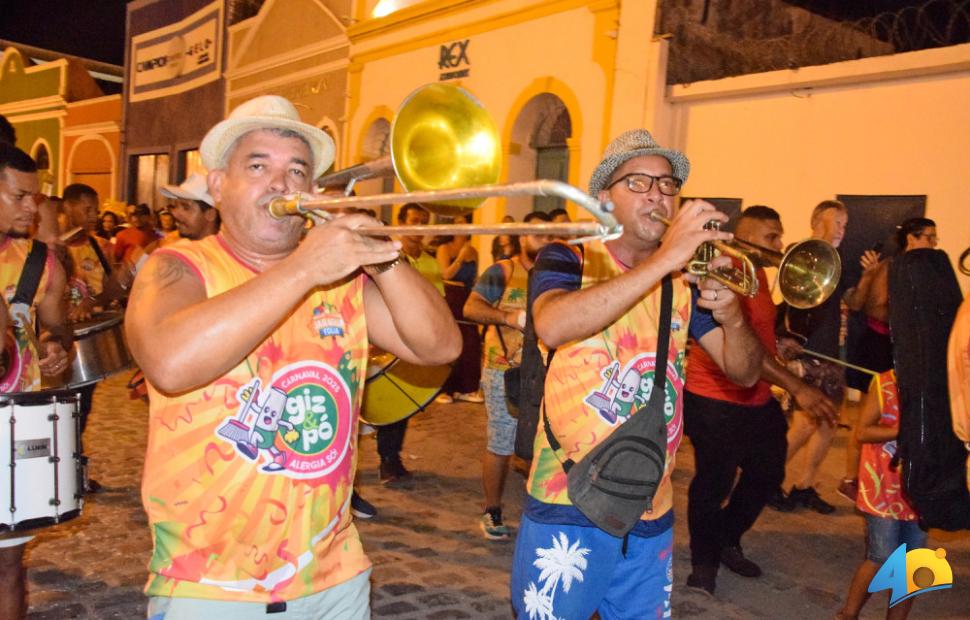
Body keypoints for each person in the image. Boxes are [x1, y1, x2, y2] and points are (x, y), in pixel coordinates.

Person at [125, 95, 459, 618]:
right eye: (258, 166)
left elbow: (439, 346)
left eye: (296, 170)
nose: (280, 185)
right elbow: (170, 364)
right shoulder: (178, 267)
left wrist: (381, 252)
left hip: (334, 576)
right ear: (218, 185)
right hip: (209, 584)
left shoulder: (342, 278)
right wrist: (304, 268)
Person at [510, 129, 763, 619]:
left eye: (668, 185)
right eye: (640, 182)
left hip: (651, 503)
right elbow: (554, 324)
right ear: (605, 197)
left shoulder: (685, 281)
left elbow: (745, 373)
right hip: (569, 499)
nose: (658, 195)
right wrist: (669, 256)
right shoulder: (570, 256)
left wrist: (733, 316)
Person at [683, 206, 838, 595]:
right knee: (712, 484)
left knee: (767, 474)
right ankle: (703, 566)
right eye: (771, 237)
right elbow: (738, 347)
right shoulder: (723, 270)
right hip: (713, 397)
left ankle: (725, 538)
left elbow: (757, 340)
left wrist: (779, 345)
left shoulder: (760, 277)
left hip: (757, 396)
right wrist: (798, 386)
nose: (780, 245)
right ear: (745, 234)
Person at [0, 142, 70, 620]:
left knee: (7, 564)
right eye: (20, 196)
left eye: (36, 198)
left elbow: (58, 324)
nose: (32, 208)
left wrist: (55, 345)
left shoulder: (38, 261)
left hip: (12, 422)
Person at [464, 211, 552, 540]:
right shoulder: (502, 271)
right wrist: (507, 317)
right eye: (537, 235)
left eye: (550, 236)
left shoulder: (556, 273)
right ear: (521, 237)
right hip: (504, 370)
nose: (544, 241)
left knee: (544, 442)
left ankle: (540, 511)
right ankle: (492, 509)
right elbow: (470, 308)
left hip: (546, 371)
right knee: (501, 442)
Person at [840, 216, 939, 502]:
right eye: (929, 237)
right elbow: (874, 308)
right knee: (868, 418)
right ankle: (850, 478)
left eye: (935, 238)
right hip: (879, 348)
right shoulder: (892, 268)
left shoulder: (923, 269)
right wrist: (914, 322)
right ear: (912, 239)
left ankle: (894, 476)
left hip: (902, 349)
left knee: (900, 414)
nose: (933, 243)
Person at [771, 199, 849, 514]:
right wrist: (785, 339)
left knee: (828, 422)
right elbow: (790, 303)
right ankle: (767, 480)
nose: (843, 230)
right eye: (838, 222)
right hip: (808, 352)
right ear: (818, 221)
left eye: (846, 224)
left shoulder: (837, 261)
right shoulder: (803, 253)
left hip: (831, 353)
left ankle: (804, 486)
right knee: (804, 424)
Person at [836, 367, 924, 620]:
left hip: (921, 486)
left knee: (912, 562)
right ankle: (848, 614)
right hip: (883, 486)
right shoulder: (885, 382)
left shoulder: (942, 382)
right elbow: (862, 432)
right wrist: (904, 430)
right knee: (881, 555)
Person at [375, 203, 445, 486]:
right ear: (401, 223)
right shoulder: (387, 257)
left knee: (400, 403)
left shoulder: (430, 261)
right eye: (414, 221)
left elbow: (437, 300)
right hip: (386, 341)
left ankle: (391, 458)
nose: (418, 229)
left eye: (423, 222)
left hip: (414, 343)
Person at [436, 213, 483, 403]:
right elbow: (445, 273)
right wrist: (461, 258)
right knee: (451, 339)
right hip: (451, 295)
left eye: (466, 224)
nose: (463, 227)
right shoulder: (444, 248)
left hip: (467, 296)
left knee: (471, 342)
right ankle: (445, 388)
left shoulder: (474, 250)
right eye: (458, 223)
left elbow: (474, 277)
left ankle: (467, 387)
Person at [159, 172, 220, 243]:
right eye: (175, 206)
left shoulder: (220, 253)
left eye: (186, 207)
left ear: (210, 214)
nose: (174, 213)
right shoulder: (172, 245)